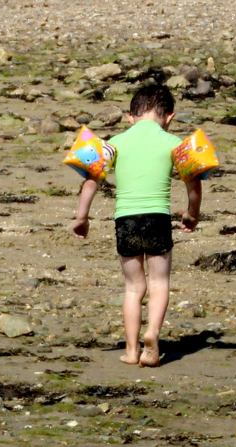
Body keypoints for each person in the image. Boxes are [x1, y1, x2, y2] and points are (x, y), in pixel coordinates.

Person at [70, 84, 203, 367]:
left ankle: (131, 350)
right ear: (169, 117)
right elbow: (193, 184)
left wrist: (82, 217)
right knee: (159, 282)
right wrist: (192, 214)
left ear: (130, 117)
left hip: (125, 220)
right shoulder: (175, 144)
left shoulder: (114, 143)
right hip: (157, 218)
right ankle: (152, 335)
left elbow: (91, 181)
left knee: (133, 287)